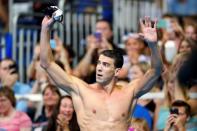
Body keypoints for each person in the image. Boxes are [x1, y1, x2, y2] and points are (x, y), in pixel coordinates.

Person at [40, 15, 162, 131]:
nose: (99, 68)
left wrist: (153, 45)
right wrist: (45, 29)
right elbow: (47, 63)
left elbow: (155, 71)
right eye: (99, 63)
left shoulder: (130, 92)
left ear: (117, 71)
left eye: (105, 65)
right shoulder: (81, 90)